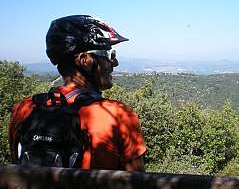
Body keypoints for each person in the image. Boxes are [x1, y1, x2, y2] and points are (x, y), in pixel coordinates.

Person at [8, 15, 147, 171]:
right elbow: (139, 184)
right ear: (84, 60)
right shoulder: (118, 116)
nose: (114, 62)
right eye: (108, 55)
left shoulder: (24, 109)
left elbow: (18, 167)